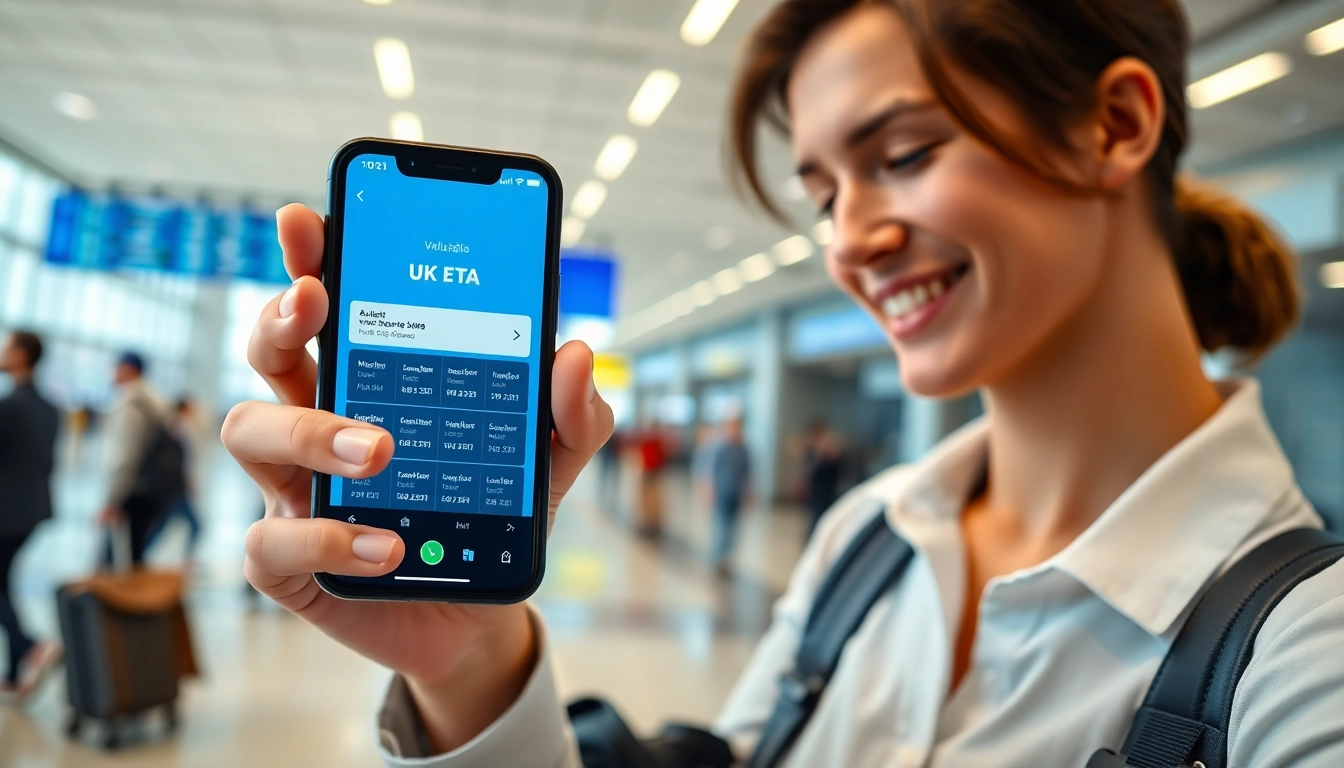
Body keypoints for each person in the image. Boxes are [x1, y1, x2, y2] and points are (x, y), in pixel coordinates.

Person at [219, 0, 1344, 765]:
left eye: (903, 155)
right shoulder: (868, 541)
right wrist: (468, 665)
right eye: (825, 195)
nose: (850, 240)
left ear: (1117, 123)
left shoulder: (1305, 662)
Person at [0, 332, 62, 701]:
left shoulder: (9, 406)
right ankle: (12, 672)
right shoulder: (49, 407)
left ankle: (31, 646)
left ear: (22, 355)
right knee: (4, 583)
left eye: (7, 347)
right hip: (33, 510)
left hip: (6, 512)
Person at [100, 352, 176, 567]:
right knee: (135, 552)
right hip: (152, 488)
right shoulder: (155, 401)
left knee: (113, 559)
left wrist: (112, 499)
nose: (112, 372)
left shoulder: (130, 404)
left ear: (128, 369)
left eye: (116, 367)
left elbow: (125, 455)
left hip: (132, 490)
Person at [143, 398, 205, 566]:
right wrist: (188, 482)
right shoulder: (180, 429)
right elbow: (183, 462)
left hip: (174, 488)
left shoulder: (174, 428)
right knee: (193, 525)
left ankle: (142, 552)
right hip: (175, 488)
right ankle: (186, 558)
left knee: (163, 525)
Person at [707, 418, 752, 575]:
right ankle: (718, 557)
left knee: (733, 527)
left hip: (736, 493)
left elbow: (747, 472)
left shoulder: (743, 449)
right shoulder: (721, 448)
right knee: (721, 525)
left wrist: (749, 492)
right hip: (722, 492)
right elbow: (712, 470)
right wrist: (709, 489)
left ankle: (727, 558)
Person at [801, 419, 842, 534]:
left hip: (826, 493)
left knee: (822, 521)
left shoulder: (830, 449)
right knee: (814, 520)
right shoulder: (812, 450)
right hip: (816, 493)